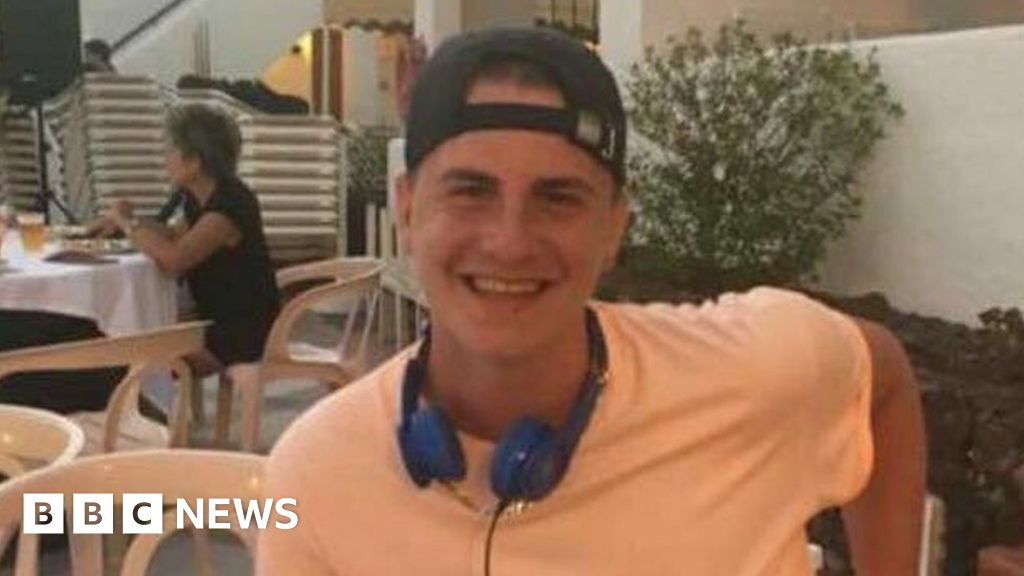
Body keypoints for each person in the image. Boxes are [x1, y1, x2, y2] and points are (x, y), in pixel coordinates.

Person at [257, 27, 926, 575]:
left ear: (614, 228)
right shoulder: (318, 473)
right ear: (407, 209)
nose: (510, 242)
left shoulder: (751, 373)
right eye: (470, 191)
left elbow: (884, 377)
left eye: (558, 198)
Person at [92, 103, 280, 390]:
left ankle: (143, 412)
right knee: (123, 334)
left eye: (171, 151)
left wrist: (128, 224)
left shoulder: (230, 205)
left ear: (193, 162)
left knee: (129, 352)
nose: (165, 160)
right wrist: (123, 223)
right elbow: (171, 234)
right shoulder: (200, 197)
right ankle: (141, 410)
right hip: (212, 321)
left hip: (238, 335)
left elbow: (174, 260)